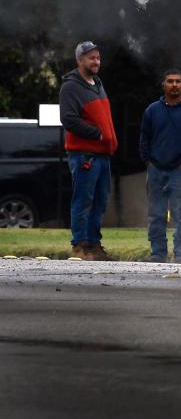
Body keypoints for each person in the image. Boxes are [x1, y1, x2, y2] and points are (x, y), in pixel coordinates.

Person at [139, 69, 181, 263]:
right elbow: (144, 137)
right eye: (170, 81)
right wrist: (148, 161)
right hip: (156, 170)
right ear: (164, 85)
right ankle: (158, 253)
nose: (174, 85)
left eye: (178, 81)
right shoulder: (152, 110)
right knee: (155, 214)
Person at [59, 41, 118, 261]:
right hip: (85, 154)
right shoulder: (71, 87)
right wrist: (97, 134)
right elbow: (68, 119)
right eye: (91, 58)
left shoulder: (97, 84)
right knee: (83, 200)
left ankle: (94, 245)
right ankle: (80, 245)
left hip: (103, 154)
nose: (96, 61)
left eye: (98, 58)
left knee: (101, 201)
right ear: (80, 60)